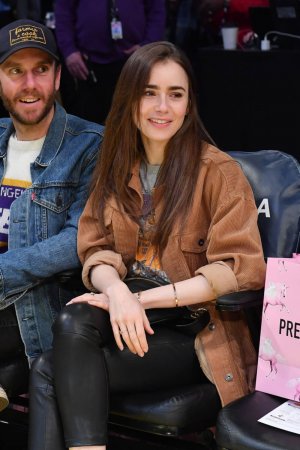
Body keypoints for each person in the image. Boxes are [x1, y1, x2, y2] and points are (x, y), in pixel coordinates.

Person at [28, 41, 266, 450]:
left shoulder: (219, 172)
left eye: (175, 94)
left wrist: (142, 301)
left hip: (192, 329)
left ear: (189, 104)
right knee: (71, 322)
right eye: (149, 93)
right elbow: (95, 248)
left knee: (51, 370)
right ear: (130, 99)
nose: (162, 107)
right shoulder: (116, 167)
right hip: (130, 316)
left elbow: (237, 268)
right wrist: (118, 292)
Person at [0, 19, 103, 410]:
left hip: (41, 305)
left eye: (41, 70)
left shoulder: (90, 144)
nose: (29, 84)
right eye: (15, 71)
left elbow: (80, 239)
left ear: (58, 76)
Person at [54, 0, 166, 124]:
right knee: (88, 125)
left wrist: (148, 46)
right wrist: (69, 51)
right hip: (87, 66)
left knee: (130, 124)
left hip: (133, 63)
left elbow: (157, 10)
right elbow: (63, 11)